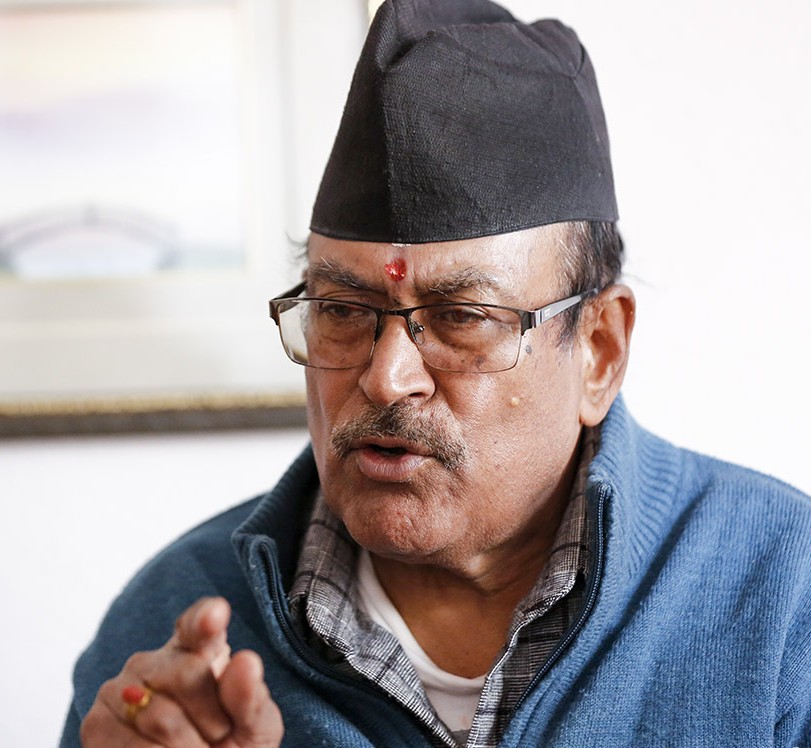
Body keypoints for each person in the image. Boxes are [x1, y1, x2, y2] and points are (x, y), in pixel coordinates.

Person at [62, 1, 811, 746]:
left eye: (461, 317)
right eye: (342, 309)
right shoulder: (176, 632)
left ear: (599, 350)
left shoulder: (783, 597)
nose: (387, 379)